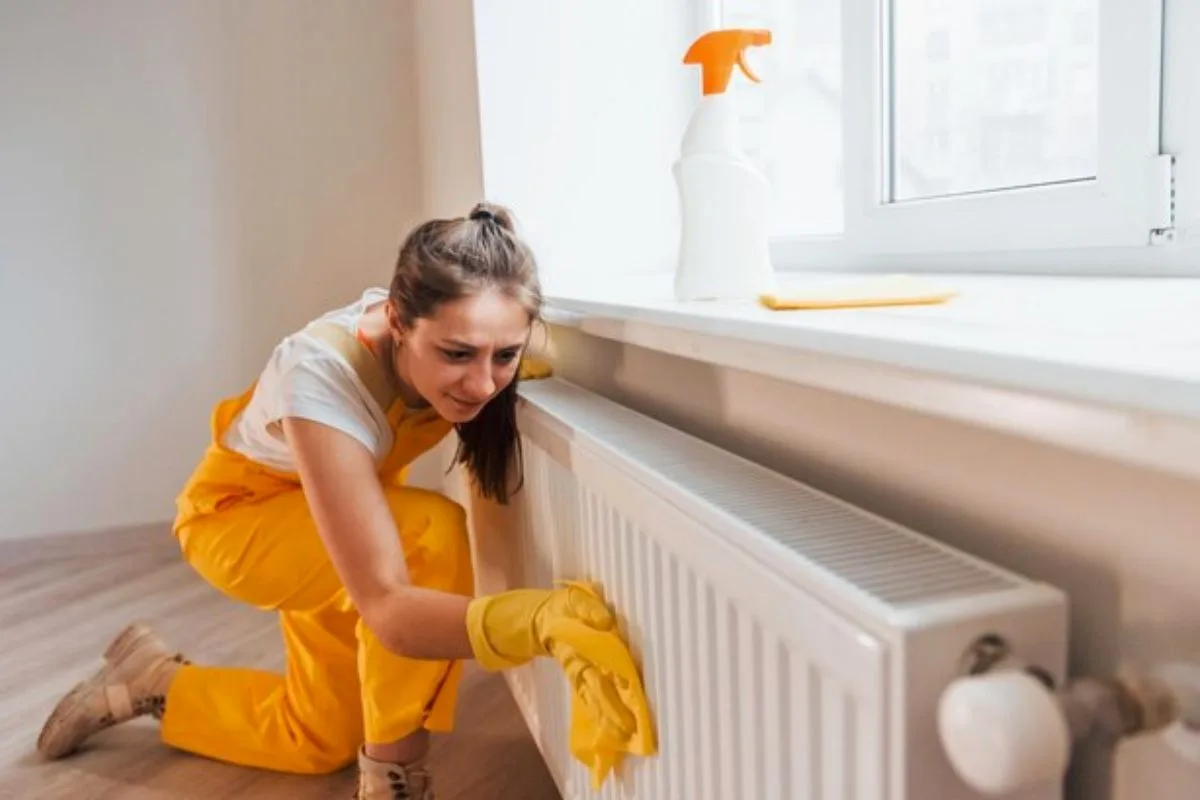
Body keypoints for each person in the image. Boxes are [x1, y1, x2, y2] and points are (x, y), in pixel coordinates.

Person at [36, 203, 638, 800]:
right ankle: (392, 781)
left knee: (318, 739)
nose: (483, 384)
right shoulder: (320, 376)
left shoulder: (460, 343)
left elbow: (486, 363)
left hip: (344, 513)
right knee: (429, 533)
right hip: (240, 521)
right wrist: (538, 621)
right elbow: (388, 608)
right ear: (398, 321)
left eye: (504, 355)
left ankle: (152, 679)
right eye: (457, 354)